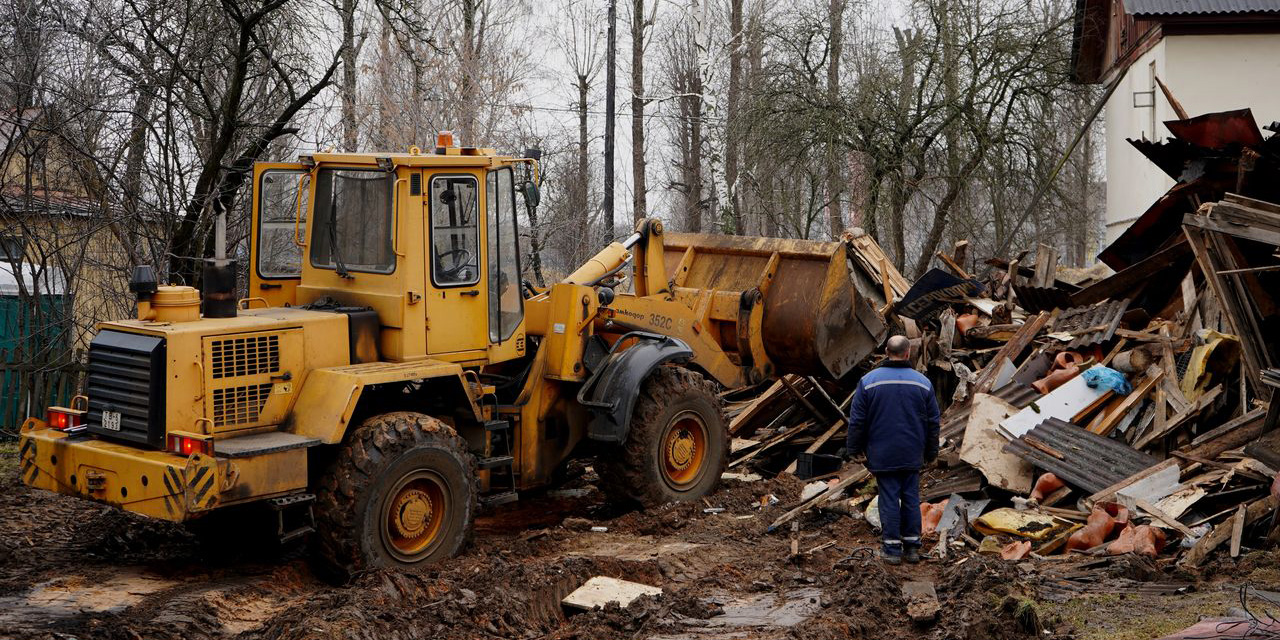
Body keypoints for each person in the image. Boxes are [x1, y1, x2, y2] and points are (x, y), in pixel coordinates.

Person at [840, 335, 940, 565]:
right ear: (908, 353)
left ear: (886, 351)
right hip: (912, 452)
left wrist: (854, 448)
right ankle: (912, 548)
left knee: (889, 499)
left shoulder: (868, 381)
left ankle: (892, 550)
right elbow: (933, 422)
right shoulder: (923, 383)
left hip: (882, 453)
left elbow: (857, 420)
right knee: (911, 498)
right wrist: (931, 452)